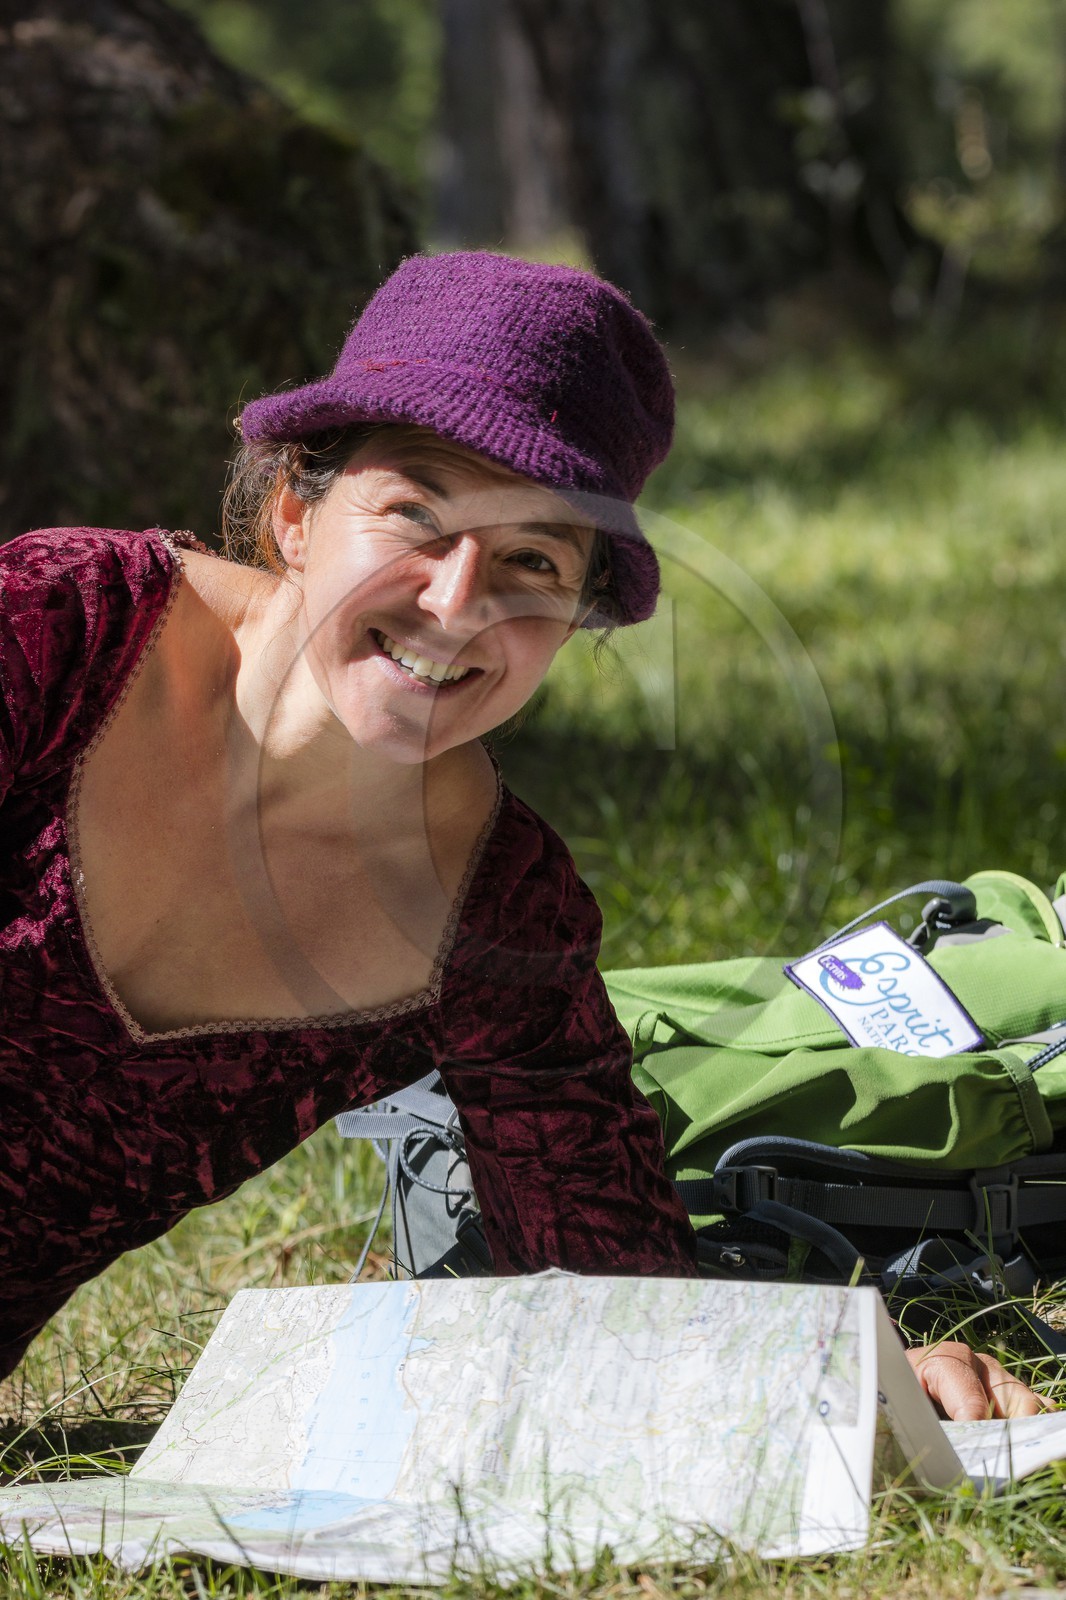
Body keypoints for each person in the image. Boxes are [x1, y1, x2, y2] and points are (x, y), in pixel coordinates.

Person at [0, 250, 1041, 1422]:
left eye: (532, 560)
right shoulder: (58, 629)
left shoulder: (500, 915)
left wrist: (858, 1377)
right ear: (294, 513)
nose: (456, 603)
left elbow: (615, 1293)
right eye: (415, 514)